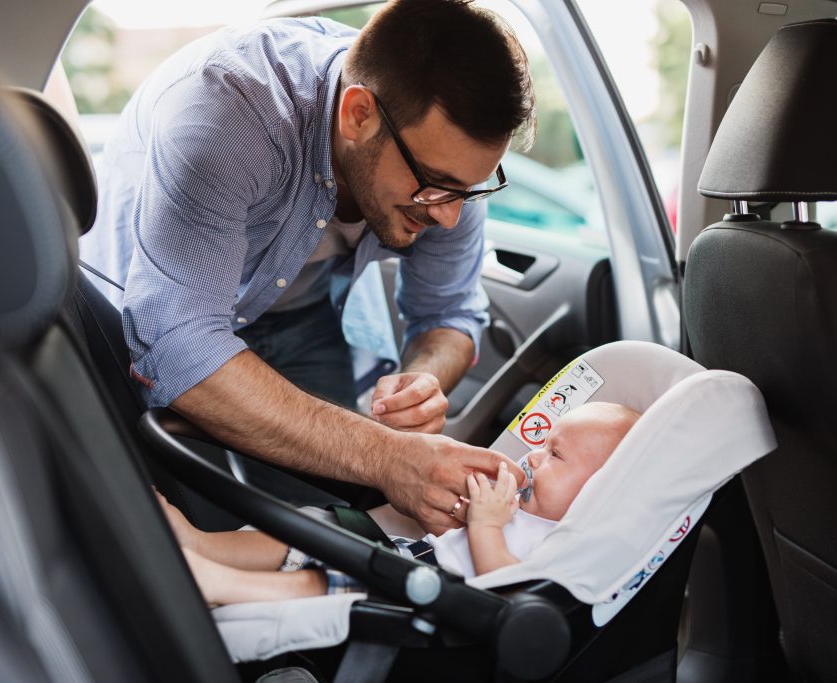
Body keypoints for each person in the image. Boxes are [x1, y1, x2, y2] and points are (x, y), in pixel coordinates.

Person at [81, 0, 537, 531]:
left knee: (337, 522)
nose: (451, 217)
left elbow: (450, 313)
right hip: (137, 321)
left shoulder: (446, 179)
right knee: (169, 527)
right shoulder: (229, 109)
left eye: (470, 190)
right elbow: (178, 345)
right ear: (357, 114)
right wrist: (388, 455)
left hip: (297, 316)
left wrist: (421, 380)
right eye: (436, 185)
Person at [158, 402, 641, 605]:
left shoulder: (563, 543)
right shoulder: (523, 506)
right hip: (404, 553)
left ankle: (224, 585)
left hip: (429, 595)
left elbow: (506, 585)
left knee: (322, 580)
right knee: (315, 527)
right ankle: (202, 544)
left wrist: (487, 524)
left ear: (598, 491)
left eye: (554, 454)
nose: (535, 454)